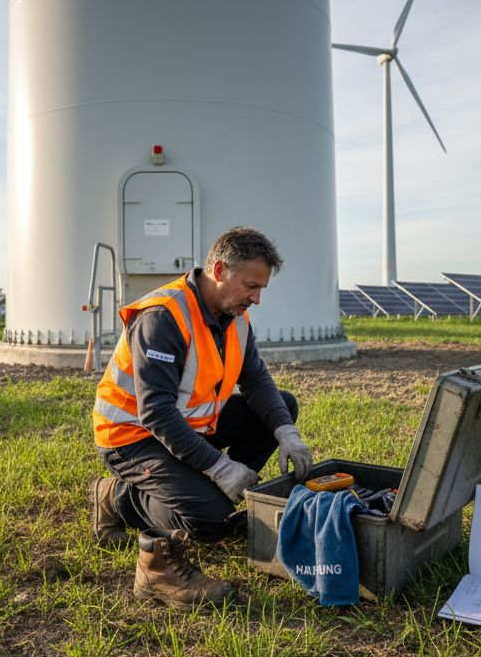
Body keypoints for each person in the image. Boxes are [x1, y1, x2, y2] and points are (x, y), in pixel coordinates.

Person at [90, 226, 314, 606]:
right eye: (251, 286)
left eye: (261, 288)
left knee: (282, 408)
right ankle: (117, 497)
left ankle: (209, 492)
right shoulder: (163, 317)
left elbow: (255, 379)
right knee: (212, 520)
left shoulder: (235, 315)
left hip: (190, 427)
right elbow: (156, 413)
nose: (256, 298)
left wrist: (287, 433)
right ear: (219, 270)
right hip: (132, 436)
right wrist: (220, 468)